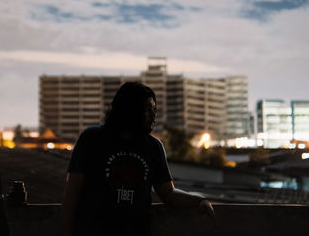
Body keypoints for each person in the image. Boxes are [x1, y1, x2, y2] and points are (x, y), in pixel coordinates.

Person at [60, 82, 214, 236]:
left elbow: (168, 193)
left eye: (154, 109)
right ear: (129, 108)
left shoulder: (154, 147)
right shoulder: (92, 139)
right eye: (148, 109)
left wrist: (199, 200)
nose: (153, 115)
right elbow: (72, 191)